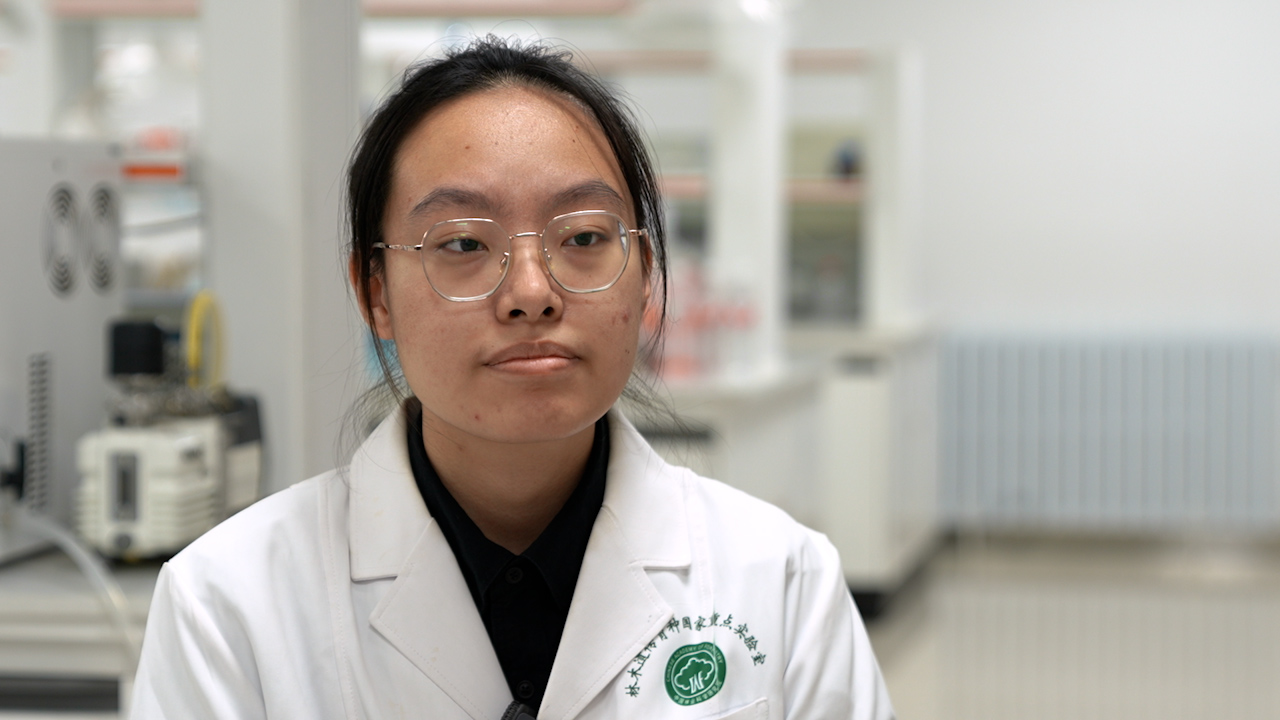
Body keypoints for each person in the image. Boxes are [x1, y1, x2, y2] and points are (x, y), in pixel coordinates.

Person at [129, 37, 895, 720]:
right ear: (375, 293)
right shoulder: (228, 607)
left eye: (584, 237)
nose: (532, 292)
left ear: (646, 275)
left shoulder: (783, 583)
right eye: (463, 243)